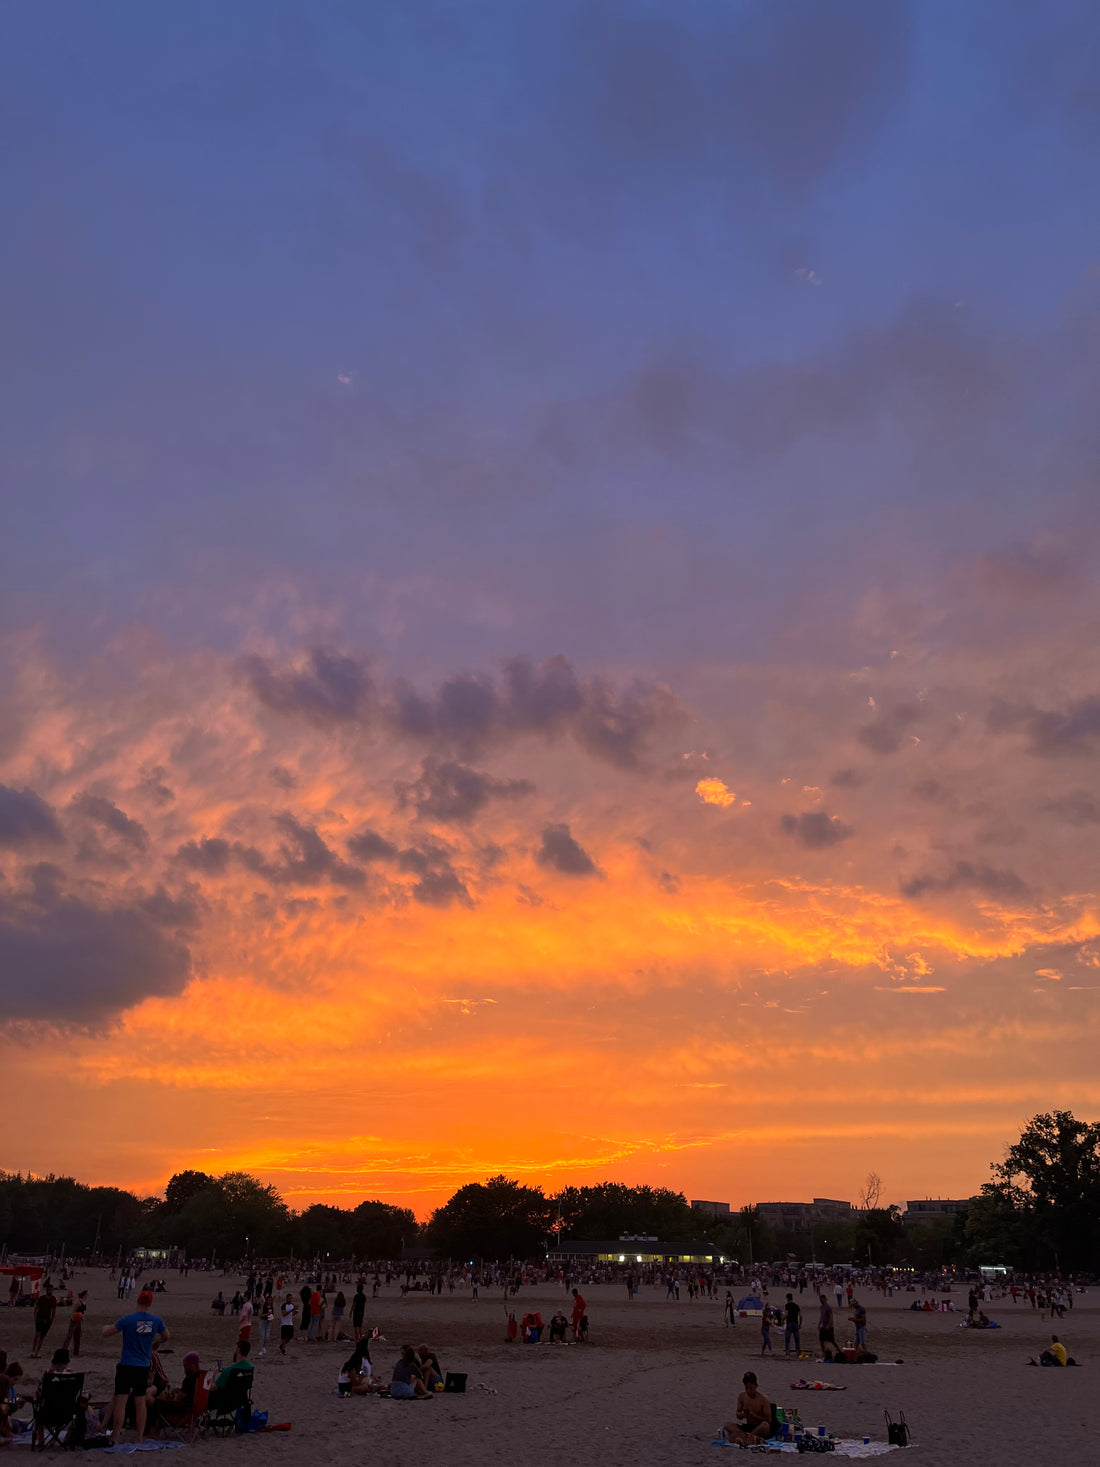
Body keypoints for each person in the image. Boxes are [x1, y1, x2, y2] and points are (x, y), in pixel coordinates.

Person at [101, 1288, 169, 1445]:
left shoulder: (128, 1320)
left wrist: (105, 1327)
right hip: (142, 1367)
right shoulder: (154, 1321)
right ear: (150, 1303)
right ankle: (139, 1436)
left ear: (138, 1301)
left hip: (126, 1365)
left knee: (121, 1401)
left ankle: (116, 1435)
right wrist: (157, 1340)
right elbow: (167, 1336)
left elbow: (107, 1333)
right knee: (140, 1403)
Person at [723, 1371, 772, 1445]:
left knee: (765, 1426)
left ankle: (746, 1436)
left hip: (758, 1427)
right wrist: (742, 1415)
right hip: (747, 1426)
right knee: (726, 1424)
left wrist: (753, 1415)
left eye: (751, 1388)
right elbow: (738, 1414)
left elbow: (769, 1420)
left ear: (756, 1386)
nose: (748, 1390)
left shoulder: (763, 1400)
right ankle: (748, 1436)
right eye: (746, 1388)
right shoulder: (742, 1396)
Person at [209, 1339, 253, 1409]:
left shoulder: (229, 1370)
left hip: (224, 1403)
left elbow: (212, 1388)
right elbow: (240, 1376)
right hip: (240, 1401)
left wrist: (213, 1374)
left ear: (238, 1350)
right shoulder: (250, 1367)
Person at [30, 1286, 57, 1358]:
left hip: (47, 1319)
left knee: (42, 1337)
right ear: (46, 1290)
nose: (49, 1291)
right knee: (37, 1335)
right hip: (40, 1318)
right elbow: (36, 1308)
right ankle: (33, 1351)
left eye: (51, 1290)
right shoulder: (41, 1298)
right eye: (48, 1290)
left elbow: (54, 1309)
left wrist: (52, 1319)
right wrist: (35, 1317)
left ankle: (37, 1352)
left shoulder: (53, 1299)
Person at [818, 1294, 837, 1360]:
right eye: (820, 1300)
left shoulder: (828, 1307)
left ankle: (839, 1351)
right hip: (823, 1326)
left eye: (822, 1299)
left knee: (832, 1341)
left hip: (829, 1327)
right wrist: (819, 1324)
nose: (821, 1301)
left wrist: (829, 1325)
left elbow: (831, 1317)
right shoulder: (821, 1307)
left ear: (825, 1299)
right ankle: (823, 1353)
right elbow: (822, 1316)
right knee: (821, 1340)